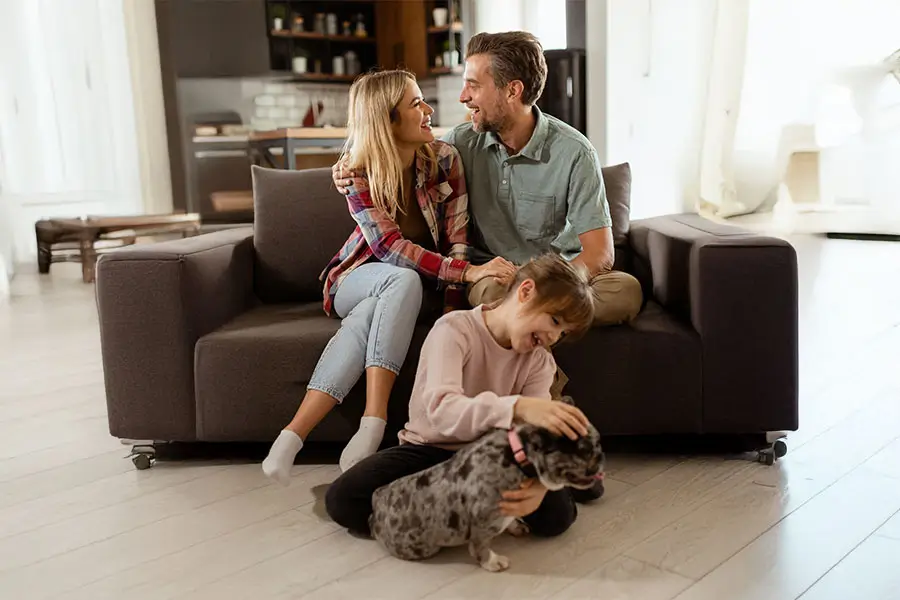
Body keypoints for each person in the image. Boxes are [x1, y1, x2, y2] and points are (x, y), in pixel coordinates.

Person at [262, 70, 516, 483]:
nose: (428, 109)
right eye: (416, 103)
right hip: (354, 279)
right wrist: (468, 274)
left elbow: (457, 237)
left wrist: (452, 315)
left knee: (369, 317)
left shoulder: (444, 159)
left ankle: (291, 436)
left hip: (412, 289)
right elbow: (388, 249)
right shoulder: (357, 172)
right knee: (400, 279)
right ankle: (374, 421)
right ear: (387, 120)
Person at [334, 31, 643, 333]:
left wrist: (546, 289)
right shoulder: (458, 145)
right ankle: (542, 357)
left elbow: (600, 253)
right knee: (491, 298)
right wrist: (346, 164)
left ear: (512, 91)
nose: (462, 97)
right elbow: (390, 146)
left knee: (625, 292)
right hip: (495, 279)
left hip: (560, 277)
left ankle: (522, 329)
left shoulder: (574, 152)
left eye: (473, 86)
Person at [326, 253, 598, 539]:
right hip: (430, 450)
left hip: (493, 459)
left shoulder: (540, 361)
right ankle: (463, 511)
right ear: (526, 291)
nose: (554, 337)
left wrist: (541, 485)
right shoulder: (453, 329)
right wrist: (516, 407)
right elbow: (443, 413)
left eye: (563, 332)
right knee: (343, 500)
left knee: (557, 517)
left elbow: (536, 438)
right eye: (554, 321)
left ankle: (454, 511)